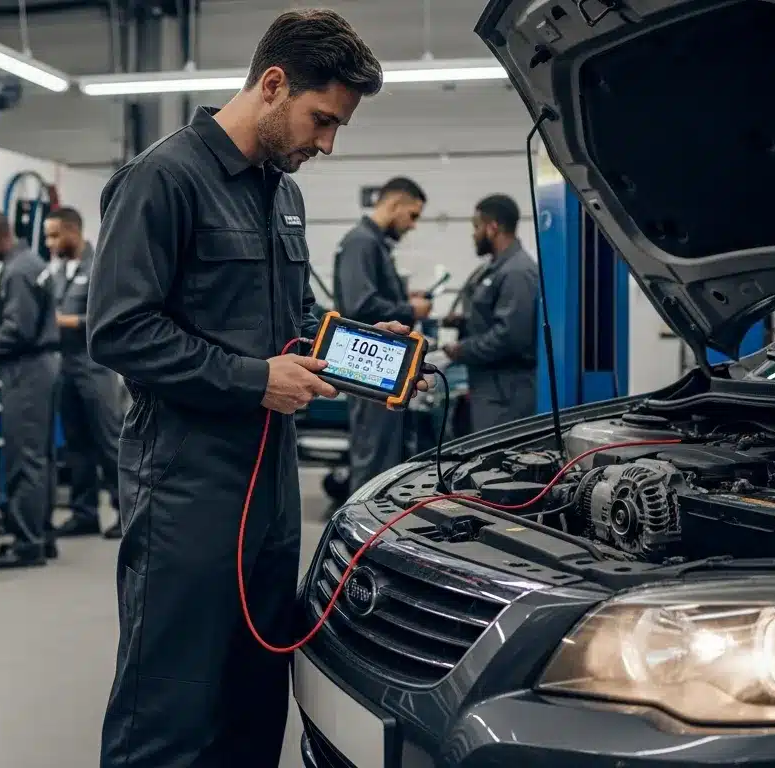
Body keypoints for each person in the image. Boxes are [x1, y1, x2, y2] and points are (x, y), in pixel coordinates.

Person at [86, 10, 424, 767]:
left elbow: (296, 326)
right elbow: (118, 330)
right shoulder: (162, 179)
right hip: (187, 497)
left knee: (254, 707)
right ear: (273, 85)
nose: (328, 143)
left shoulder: (283, 193)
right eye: (322, 119)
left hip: (270, 495)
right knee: (169, 718)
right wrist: (253, 380)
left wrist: (362, 351)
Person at [0, 209, 61, 569]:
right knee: (42, 458)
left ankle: (27, 544)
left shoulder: (18, 270)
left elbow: (18, 329)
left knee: (25, 459)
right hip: (43, 366)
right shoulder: (31, 262)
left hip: (28, 370)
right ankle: (42, 536)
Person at [332, 176, 432, 492]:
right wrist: (410, 310)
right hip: (369, 371)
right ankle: (360, 539)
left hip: (386, 371)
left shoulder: (375, 244)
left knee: (388, 463)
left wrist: (403, 300)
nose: (413, 225)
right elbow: (359, 304)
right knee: (373, 464)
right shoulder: (361, 242)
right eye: (412, 215)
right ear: (394, 204)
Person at [43, 207, 124, 540]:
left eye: (55, 235)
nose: (50, 243)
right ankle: (84, 513)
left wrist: (70, 322)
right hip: (66, 366)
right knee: (76, 445)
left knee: (110, 443)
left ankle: (127, 513)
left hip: (96, 367)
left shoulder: (101, 264)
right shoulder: (59, 270)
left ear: (73, 232)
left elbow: (115, 316)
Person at [444, 194, 540, 433]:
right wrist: (462, 322)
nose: (473, 234)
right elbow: (490, 315)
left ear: (493, 227)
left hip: (506, 394)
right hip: (488, 386)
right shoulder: (493, 268)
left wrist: (462, 350)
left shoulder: (517, 272)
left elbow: (511, 336)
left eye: (476, 227)